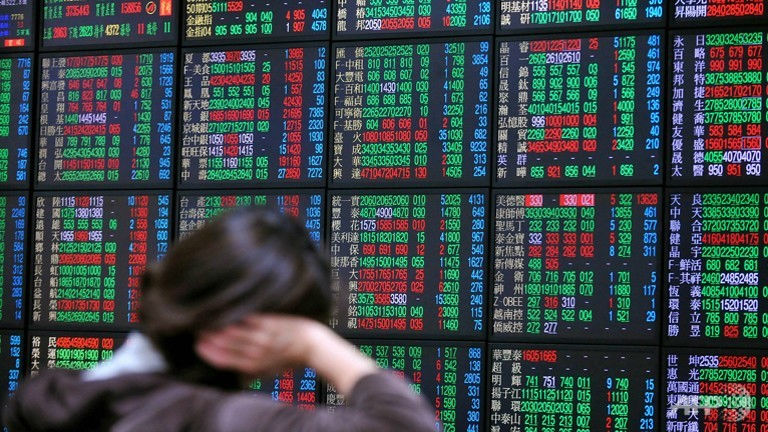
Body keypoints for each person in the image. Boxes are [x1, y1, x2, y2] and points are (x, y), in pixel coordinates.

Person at [3, 207, 437, 432]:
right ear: (245, 329)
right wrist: (316, 344)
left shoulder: (54, 399)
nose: (290, 364)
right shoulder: (214, 419)